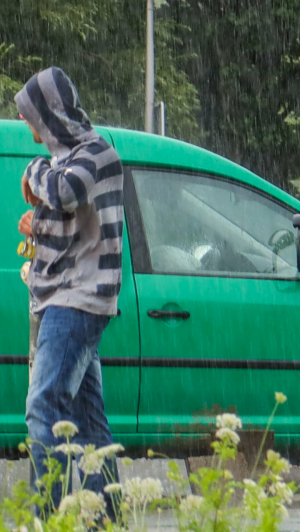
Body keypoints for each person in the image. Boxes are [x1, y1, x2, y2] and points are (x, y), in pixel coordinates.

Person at [15, 67, 124, 517]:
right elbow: (69, 227)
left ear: (49, 113)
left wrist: (33, 169)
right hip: (66, 294)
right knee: (87, 421)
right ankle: (108, 517)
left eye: (29, 115)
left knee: (44, 409)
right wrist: (35, 225)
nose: (27, 125)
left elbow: (65, 190)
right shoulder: (68, 158)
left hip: (79, 298)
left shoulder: (95, 152)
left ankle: (49, 518)